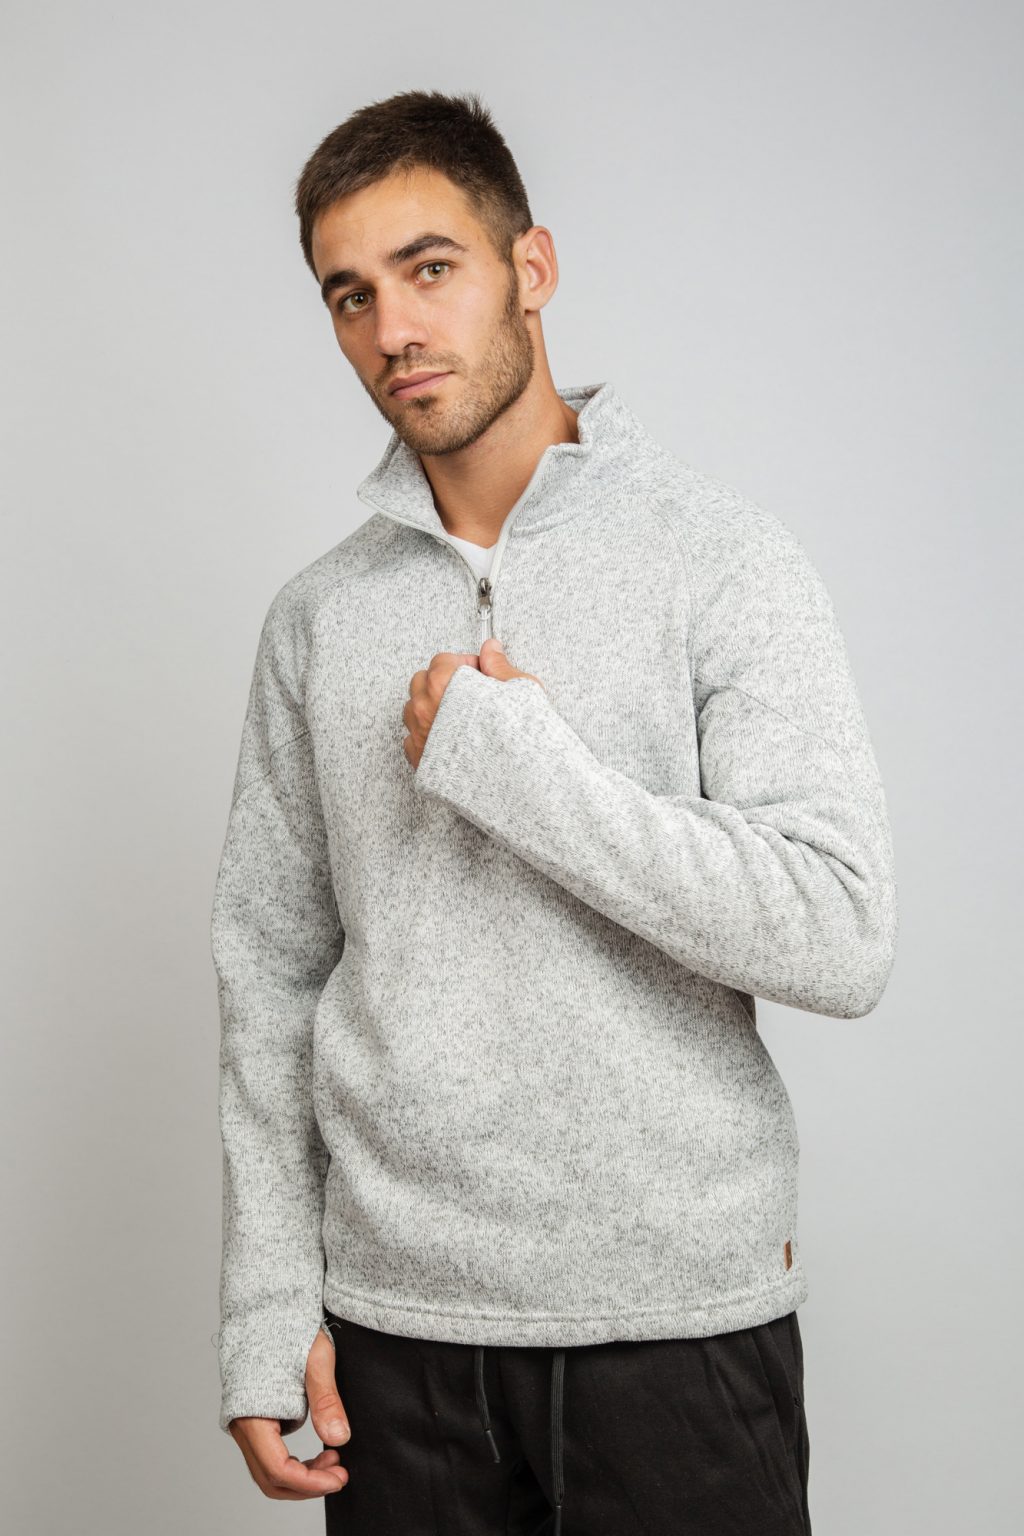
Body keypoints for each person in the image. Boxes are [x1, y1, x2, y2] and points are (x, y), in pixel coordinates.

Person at [210, 89, 898, 1535]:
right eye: (351, 294)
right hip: (395, 1337)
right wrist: (271, 1307)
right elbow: (270, 983)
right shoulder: (317, 619)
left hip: (678, 1323)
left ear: (532, 267)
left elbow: (839, 933)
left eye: (430, 267)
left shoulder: (723, 559)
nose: (393, 328)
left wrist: (526, 774)